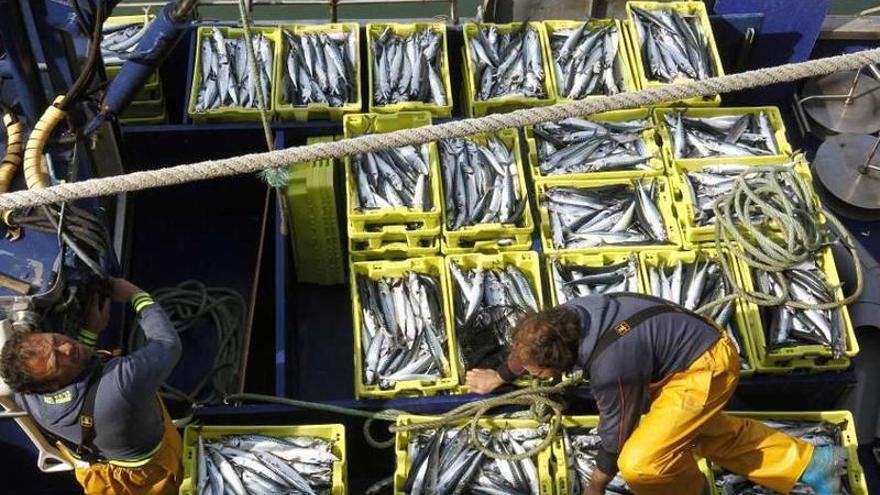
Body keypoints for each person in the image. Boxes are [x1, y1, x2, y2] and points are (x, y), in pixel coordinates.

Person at [465, 293, 846, 495]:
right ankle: (811, 463)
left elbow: (614, 439)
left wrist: (595, 487)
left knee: (643, 462)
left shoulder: (610, 367)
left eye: (535, 371)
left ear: (562, 361)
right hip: (685, 347)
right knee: (695, 433)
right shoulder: (567, 318)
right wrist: (499, 375)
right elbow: (533, 346)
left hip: (705, 366)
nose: (530, 374)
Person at [0, 278, 183, 495]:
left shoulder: (26, 394)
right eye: (57, 361)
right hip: (148, 476)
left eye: (55, 341)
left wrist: (89, 334)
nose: (68, 347)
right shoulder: (122, 382)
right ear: (51, 383)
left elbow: (78, 387)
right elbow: (167, 344)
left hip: (97, 474)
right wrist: (135, 295)